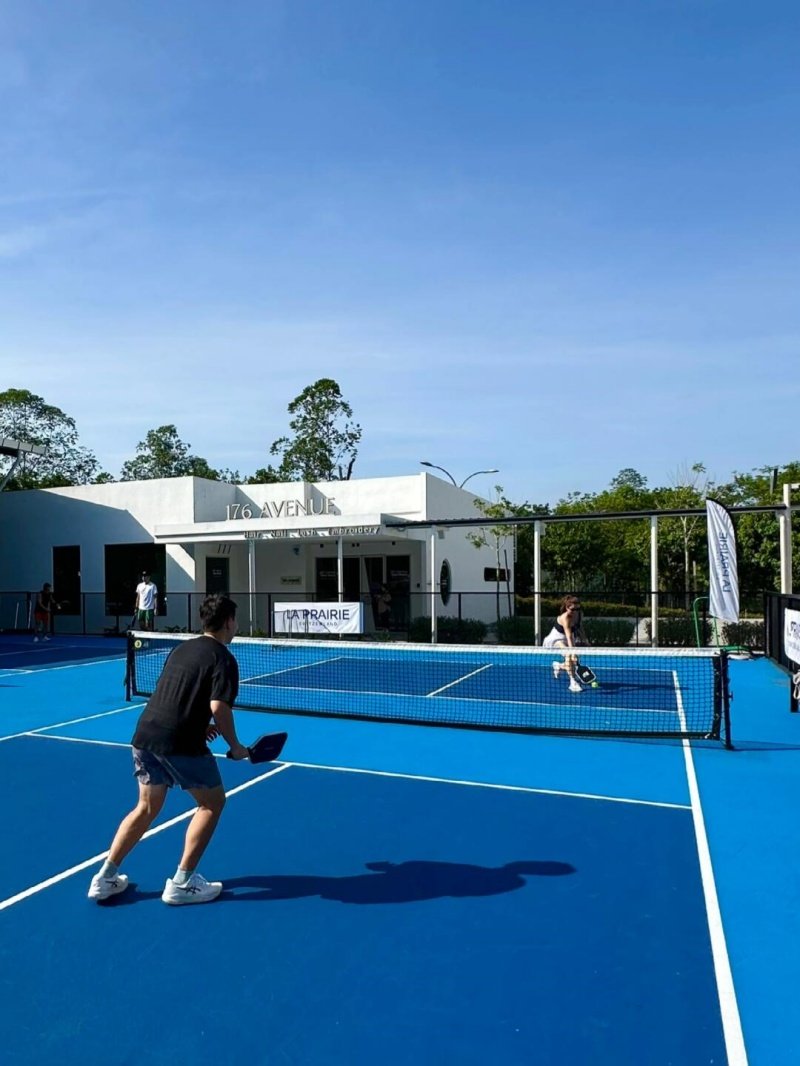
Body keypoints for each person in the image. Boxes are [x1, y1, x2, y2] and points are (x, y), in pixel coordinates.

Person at [88, 594, 250, 905]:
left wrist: (200, 725)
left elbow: (174, 692)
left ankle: (105, 877)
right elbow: (218, 706)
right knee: (212, 803)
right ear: (229, 622)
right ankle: (182, 882)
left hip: (145, 734)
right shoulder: (224, 658)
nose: (236, 625)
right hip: (179, 743)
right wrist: (236, 746)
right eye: (236, 620)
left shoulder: (181, 648)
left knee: (146, 807)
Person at [543, 594, 589, 694]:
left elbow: (580, 627)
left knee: (571, 662)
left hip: (568, 639)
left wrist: (585, 641)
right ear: (567, 608)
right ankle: (573, 682)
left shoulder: (579, 614)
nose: (575, 612)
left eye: (577, 609)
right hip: (555, 640)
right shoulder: (565, 618)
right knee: (569, 655)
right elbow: (568, 636)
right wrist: (573, 652)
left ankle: (558, 666)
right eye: (573, 609)